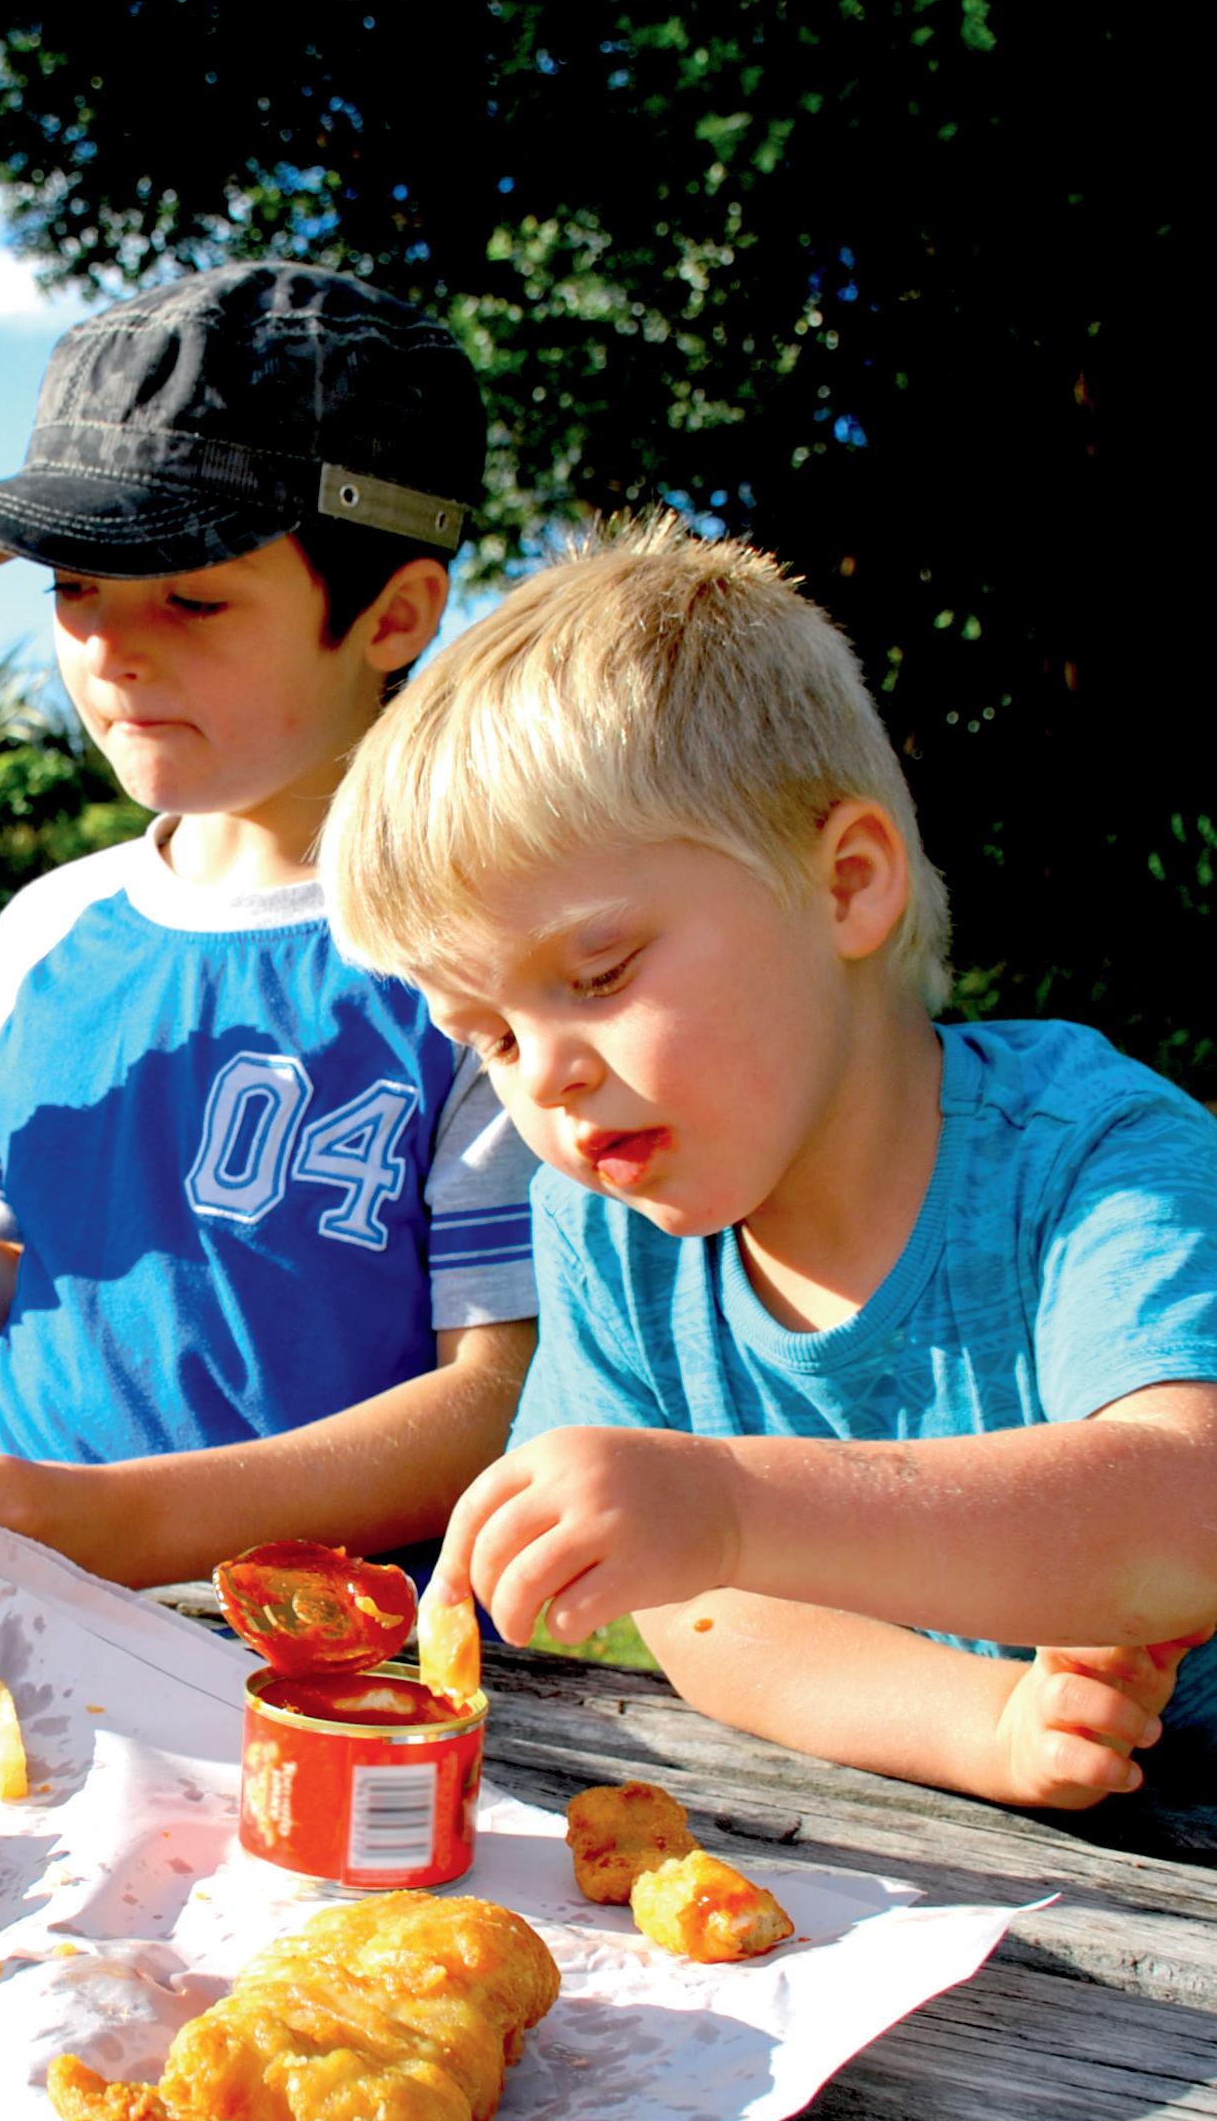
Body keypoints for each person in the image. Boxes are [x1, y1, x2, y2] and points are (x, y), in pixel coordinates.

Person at [319, 515, 1217, 1808]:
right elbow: (695, 1613)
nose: (545, 1072)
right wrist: (986, 1725)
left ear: (846, 883)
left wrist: (726, 1505)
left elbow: (1180, 1513)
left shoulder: (1093, 1162)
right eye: (488, 1035)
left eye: (598, 974)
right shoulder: (602, 1230)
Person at [0, 264, 539, 1588]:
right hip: (8, 1599)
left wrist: (129, 1525)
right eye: (74, 589)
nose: (110, 651)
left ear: (393, 616)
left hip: (314, 1669)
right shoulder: (52, 927)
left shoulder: (494, 957)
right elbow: (32, 1313)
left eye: (190, 599)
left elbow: (498, 1400)